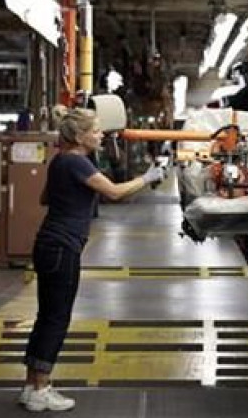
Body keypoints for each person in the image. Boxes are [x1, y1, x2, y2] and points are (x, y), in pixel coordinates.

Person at [19, 108, 166, 412]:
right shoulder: (75, 162)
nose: (102, 134)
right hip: (62, 247)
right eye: (97, 130)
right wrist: (148, 177)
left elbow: (45, 198)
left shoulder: (62, 161)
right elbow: (113, 192)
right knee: (57, 318)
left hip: (48, 243)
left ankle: (31, 385)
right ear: (79, 136)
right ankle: (42, 389)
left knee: (46, 316)